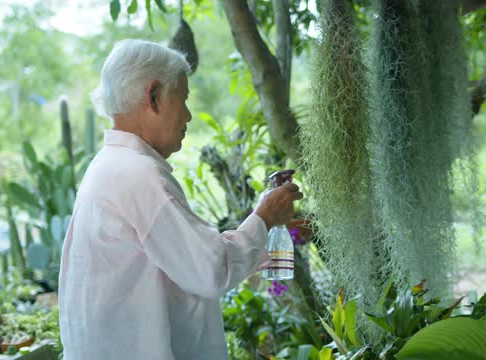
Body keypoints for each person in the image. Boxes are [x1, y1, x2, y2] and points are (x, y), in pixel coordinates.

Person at [58, 39, 303, 360]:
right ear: (154, 95)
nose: (188, 116)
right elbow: (211, 268)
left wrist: (272, 232)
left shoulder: (110, 164)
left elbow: (183, 261)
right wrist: (264, 217)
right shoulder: (138, 174)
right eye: (183, 99)